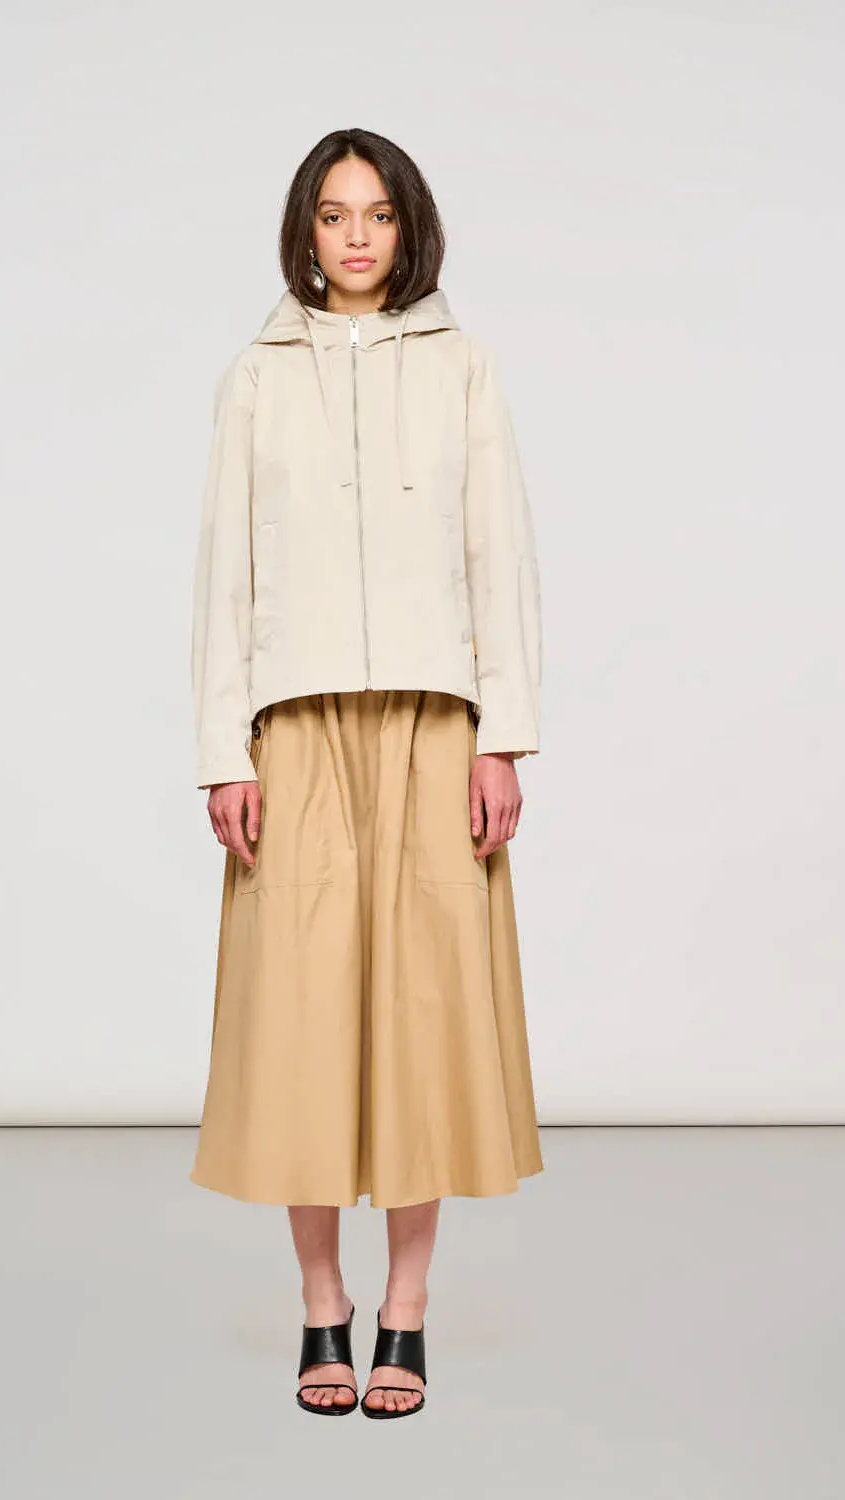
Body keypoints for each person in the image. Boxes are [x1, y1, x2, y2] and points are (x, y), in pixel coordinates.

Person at [188, 127, 544, 1420]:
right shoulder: (257, 374)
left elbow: (499, 551)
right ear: (305, 228)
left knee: (423, 1011)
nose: (355, 236)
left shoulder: (461, 365)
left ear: (409, 228)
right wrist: (222, 749)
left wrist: (502, 734)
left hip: (434, 722)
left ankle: (406, 1308)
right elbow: (225, 570)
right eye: (334, 214)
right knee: (300, 1016)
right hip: (295, 725)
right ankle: (319, 1305)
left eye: (378, 214)